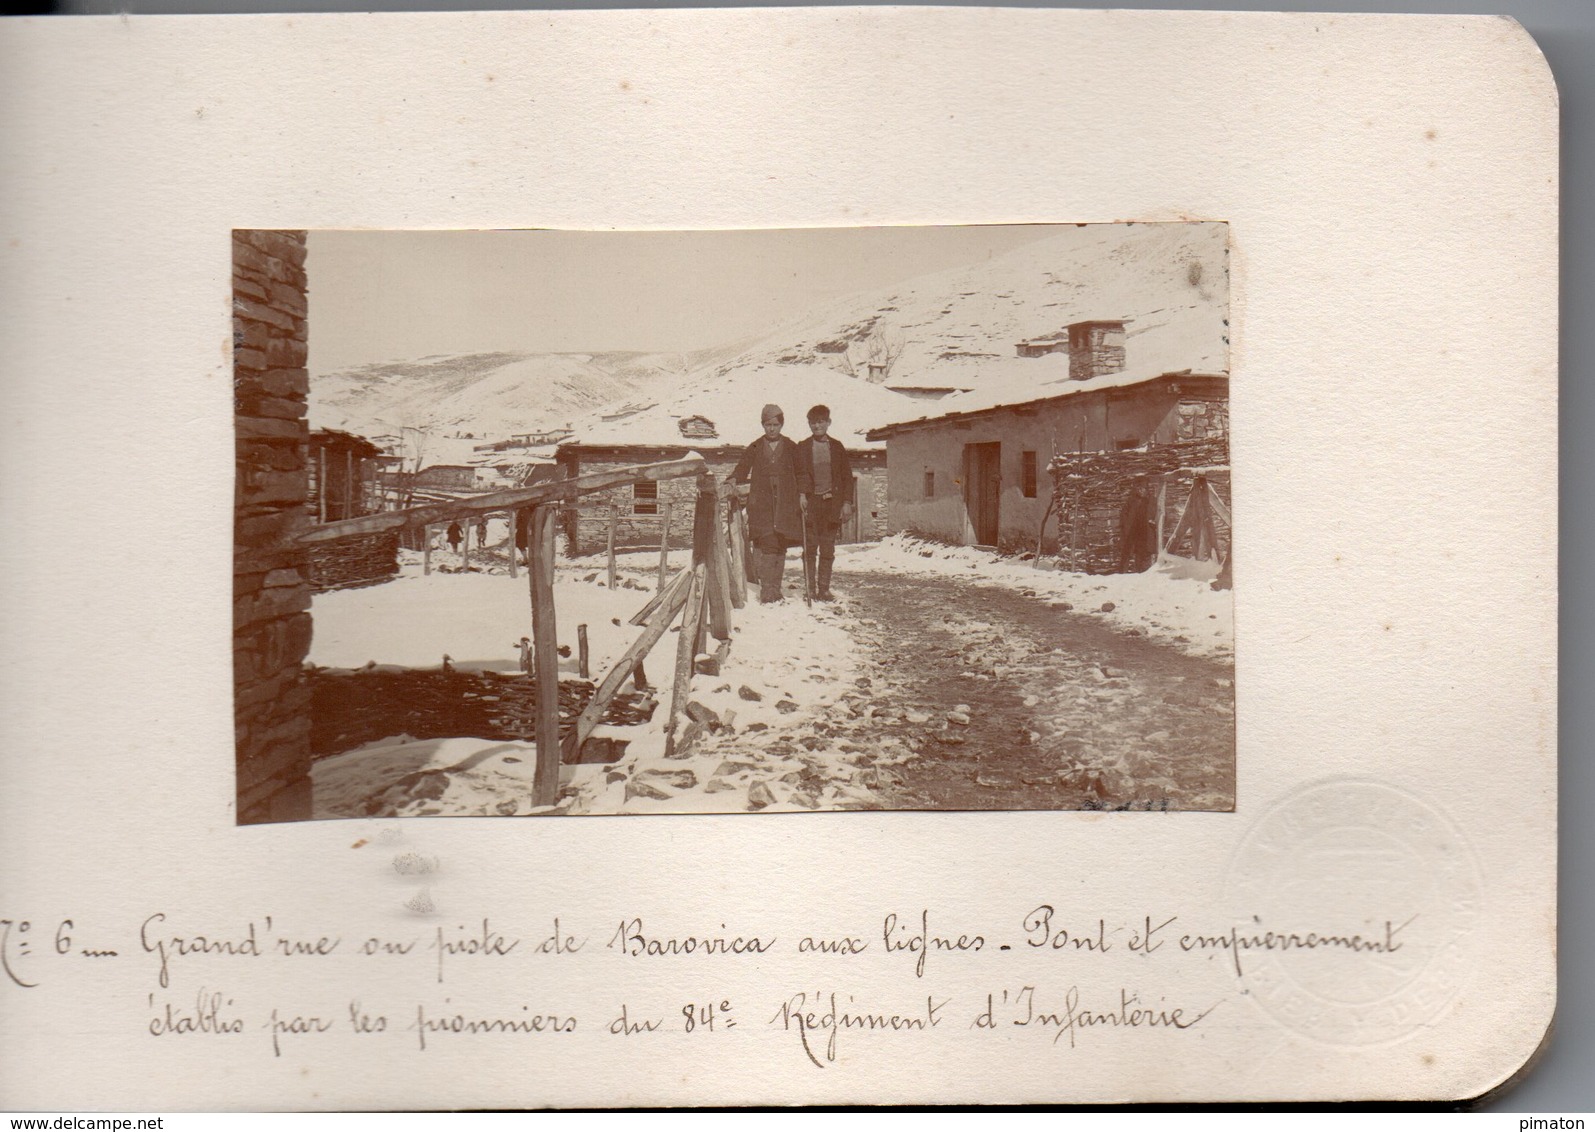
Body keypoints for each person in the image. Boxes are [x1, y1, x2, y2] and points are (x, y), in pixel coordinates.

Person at [732, 403, 803, 603]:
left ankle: (775, 588)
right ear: (762, 425)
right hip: (762, 503)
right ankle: (767, 591)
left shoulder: (791, 447)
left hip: (786, 502)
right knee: (768, 543)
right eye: (767, 424)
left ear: (782, 425)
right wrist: (732, 480)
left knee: (781, 545)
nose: (771, 429)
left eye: (775, 424)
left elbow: (802, 473)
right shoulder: (755, 446)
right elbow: (742, 468)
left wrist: (803, 494)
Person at [794, 404, 855, 601]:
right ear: (809, 424)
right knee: (810, 547)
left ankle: (824, 589)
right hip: (812, 504)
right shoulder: (803, 447)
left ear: (828, 423)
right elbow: (800, 474)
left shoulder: (836, 447)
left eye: (821, 422)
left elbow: (846, 476)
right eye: (813, 422)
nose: (817, 426)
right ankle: (810, 589)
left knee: (827, 548)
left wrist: (846, 502)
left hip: (831, 504)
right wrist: (802, 495)